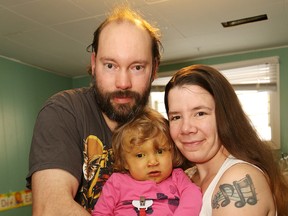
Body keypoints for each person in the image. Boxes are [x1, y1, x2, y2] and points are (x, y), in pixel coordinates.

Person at [26, 5, 163, 215]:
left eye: (137, 67)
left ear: (154, 69)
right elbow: (50, 209)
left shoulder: (163, 131)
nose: (123, 83)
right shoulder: (64, 112)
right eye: (110, 65)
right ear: (94, 63)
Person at [164, 64, 288, 216]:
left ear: (226, 116)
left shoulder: (238, 178)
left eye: (200, 113)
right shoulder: (186, 176)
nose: (186, 128)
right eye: (176, 117)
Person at [92, 107, 202, 216]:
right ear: (124, 161)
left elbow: (193, 196)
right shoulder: (116, 182)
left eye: (160, 151)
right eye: (140, 155)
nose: (153, 162)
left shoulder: (178, 178)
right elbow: (101, 213)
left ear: (172, 153)